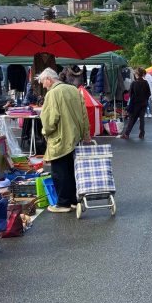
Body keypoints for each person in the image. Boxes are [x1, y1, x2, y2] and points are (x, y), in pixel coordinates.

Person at [38, 68, 91, 213]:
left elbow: (49, 120)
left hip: (60, 138)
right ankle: (73, 200)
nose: (43, 86)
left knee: (59, 172)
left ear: (48, 79)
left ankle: (63, 203)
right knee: (71, 170)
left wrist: (45, 132)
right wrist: (86, 133)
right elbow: (84, 113)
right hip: (75, 136)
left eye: (43, 82)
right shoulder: (73, 89)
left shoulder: (53, 93)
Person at [121, 68, 152, 140]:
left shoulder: (134, 83)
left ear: (137, 74)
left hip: (135, 104)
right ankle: (142, 133)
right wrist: (145, 100)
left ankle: (126, 134)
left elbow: (130, 95)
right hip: (143, 103)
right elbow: (149, 93)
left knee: (132, 119)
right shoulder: (145, 82)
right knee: (142, 119)